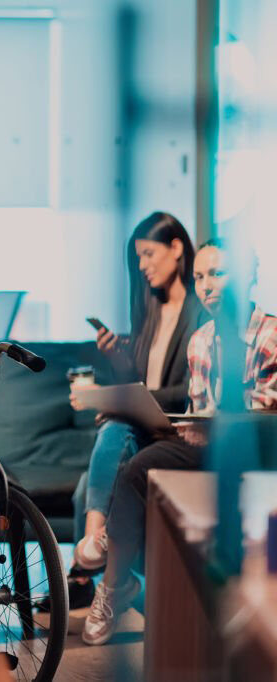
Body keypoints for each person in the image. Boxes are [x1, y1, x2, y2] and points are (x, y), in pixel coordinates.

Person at [82, 238, 277, 646]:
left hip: (257, 448)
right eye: (200, 277)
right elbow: (197, 407)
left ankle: (111, 550)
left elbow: (265, 413)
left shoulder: (269, 336)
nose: (207, 286)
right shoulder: (201, 340)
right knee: (138, 461)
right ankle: (114, 583)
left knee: (150, 463)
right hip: (206, 444)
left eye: (219, 273)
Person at [67, 212, 204, 597]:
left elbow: (188, 390)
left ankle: (92, 566)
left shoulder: (201, 313)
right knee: (85, 485)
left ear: (176, 248)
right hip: (144, 426)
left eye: (148, 254)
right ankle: (96, 569)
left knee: (115, 426)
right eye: (138, 259)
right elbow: (142, 383)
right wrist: (117, 362)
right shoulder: (148, 314)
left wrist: (128, 401)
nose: (142, 266)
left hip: (176, 428)